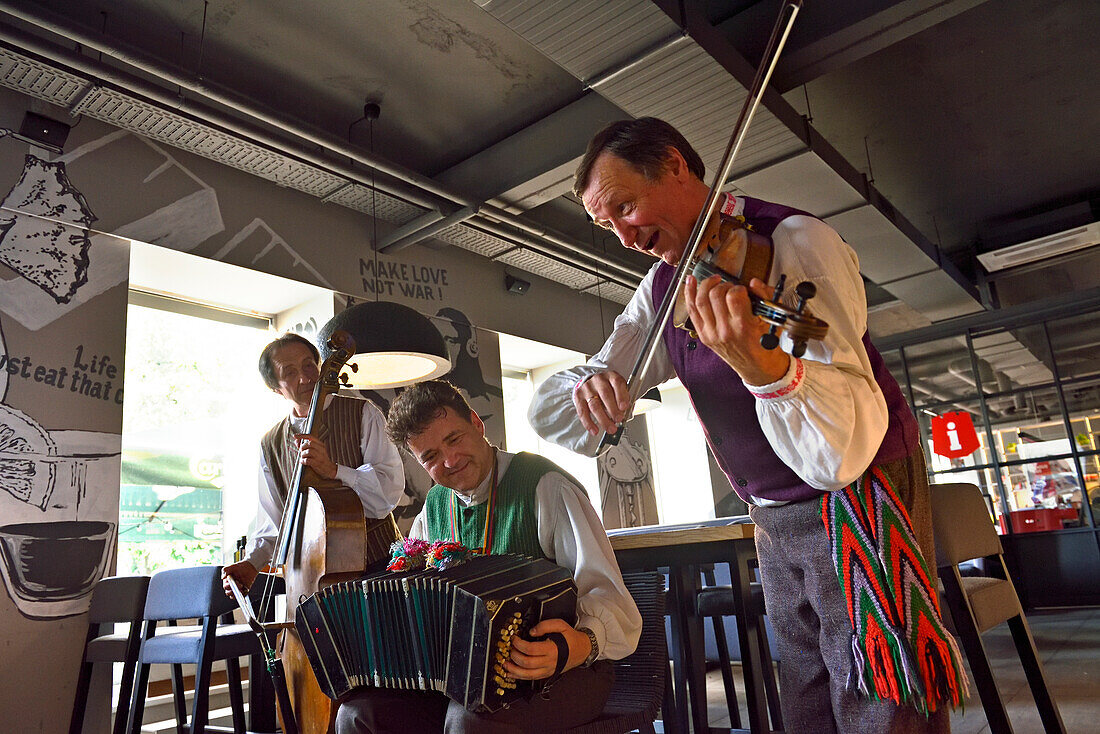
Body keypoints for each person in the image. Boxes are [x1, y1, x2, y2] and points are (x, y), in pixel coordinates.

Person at [528, 117, 958, 733]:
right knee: (807, 694)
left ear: (676, 166)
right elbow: (595, 374)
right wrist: (588, 383)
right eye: (606, 224)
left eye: (626, 206)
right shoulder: (660, 289)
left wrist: (770, 370)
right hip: (772, 517)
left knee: (877, 693)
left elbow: (843, 442)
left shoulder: (795, 242)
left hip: (861, 498)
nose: (623, 236)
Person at [336, 379, 642, 734]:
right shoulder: (431, 512)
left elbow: (612, 600)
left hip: (564, 670)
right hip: (461, 684)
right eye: (431, 457)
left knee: (467, 723)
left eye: (454, 439)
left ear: (477, 425)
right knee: (357, 716)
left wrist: (579, 643)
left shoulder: (546, 487)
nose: (449, 460)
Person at [221, 332, 405, 596]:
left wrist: (334, 471)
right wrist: (252, 564)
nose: (306, 378)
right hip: (309, 579)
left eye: (309, 365)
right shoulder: (270, 443)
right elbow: (276, 522)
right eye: (291, 372)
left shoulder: (363, 413)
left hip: (377, 568)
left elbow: (388, 492)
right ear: (276, 388)